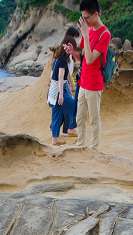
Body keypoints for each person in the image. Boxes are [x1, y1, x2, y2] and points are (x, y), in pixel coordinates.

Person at [73, 0, 111, 149]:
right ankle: (80, 146)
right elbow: (83, 58)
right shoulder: (87, 31)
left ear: (96, 14)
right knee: (79, 118)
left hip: (94, 84)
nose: (85, 21)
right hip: (83, 81)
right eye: (83, 18)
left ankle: (94, 150)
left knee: (94, 120)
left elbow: (90, 59)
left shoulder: (105, 34)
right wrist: (73, 53)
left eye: (87, 17)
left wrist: (86, 36)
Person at [48, 36, 78, 146]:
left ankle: (54, 140)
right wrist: (61, 94)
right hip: (59, 92)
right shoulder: (63, 61)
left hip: (52, 92)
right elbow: (61, 77)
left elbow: (52, 76)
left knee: (56, 115)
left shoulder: (56, 59)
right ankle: (71, 128)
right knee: (76, 107)